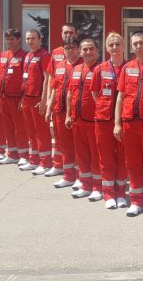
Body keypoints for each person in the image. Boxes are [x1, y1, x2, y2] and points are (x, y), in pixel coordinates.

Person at [114, 31, 143, 218]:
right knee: (132, 164)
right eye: (135, 44)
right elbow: (120, 96)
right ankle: (136, 200)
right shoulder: (127, 68)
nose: (138, 47)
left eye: (142, 43)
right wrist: (117, 123)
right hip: (128, 124)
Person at [90, 32, 129, 209]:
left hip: (124, 120)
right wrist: (104, 107)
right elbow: (94, 93)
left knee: (122, 157)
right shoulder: (100, 69)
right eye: (111, 45)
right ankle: (108, 194)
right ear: (106, 48)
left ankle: (121, 193)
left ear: (123, 46)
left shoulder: (130, 68)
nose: (114, 47)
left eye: (117, 44)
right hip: (103, 120)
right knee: (106, 157)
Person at [66, 39, 102, 200]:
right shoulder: (76, 69)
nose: (88, 52)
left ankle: (97, 187)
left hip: (94, 121)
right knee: (81, 155)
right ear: (80, 52)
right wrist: (68, 115)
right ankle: (85, 185)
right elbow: (70, 93)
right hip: (77, 119)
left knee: (96, 155)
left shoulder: (101, 69)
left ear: (97, 51)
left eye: (91, 49)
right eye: (85, 49)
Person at [45, 37, 81, 188]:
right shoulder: (59, 66)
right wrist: (49, 108)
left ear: (78, 49)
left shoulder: (83, 65)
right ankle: (68, 176)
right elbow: (54, 88)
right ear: (63, 50)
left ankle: (80, 177)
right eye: (67, 48)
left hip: (77, 114)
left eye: (73, 47)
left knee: (79, 146)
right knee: (64, 146)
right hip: (59, 111)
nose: (70, 50)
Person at [19, 30, 52, 175]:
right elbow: (25, 79)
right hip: (27, 98)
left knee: (41, 132)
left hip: (38, 99)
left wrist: (44, 100)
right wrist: (22, 98)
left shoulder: (44, 56)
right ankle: (34, 160)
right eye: (28, 39)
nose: (30, 41)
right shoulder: (27, 56)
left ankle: (45, 163)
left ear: (40, 39)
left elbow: (47, 79)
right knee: (31, 131)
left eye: (33, 38)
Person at [0, 28, 26, 165]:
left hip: (16, 98)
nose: (9, 41)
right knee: (7, 127)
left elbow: (27, 79)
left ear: (19, 40)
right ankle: (12, 154)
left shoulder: (24, 56)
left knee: (20, 127)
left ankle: (23, 155)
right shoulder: (3, 55)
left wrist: (23, 98)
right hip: (4, 97)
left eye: (12, 39)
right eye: (7, 39)